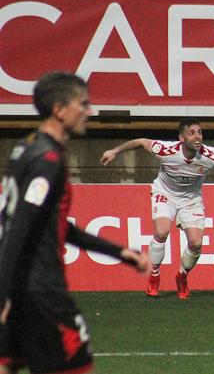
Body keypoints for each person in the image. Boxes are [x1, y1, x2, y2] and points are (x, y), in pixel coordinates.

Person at [0, 71, 151, 374]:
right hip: (42, 293)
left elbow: (48, 223)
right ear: (59, 109)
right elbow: (21, 225)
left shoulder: (24, 148)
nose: (89, 111)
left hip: (20, 289)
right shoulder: (49, 160)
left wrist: (119, 252)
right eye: (82, 104)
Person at [101, 119, 214, 300]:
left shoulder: (211, 155)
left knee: (196, 243)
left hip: (191, 200)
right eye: (192, 133)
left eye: (200, 132)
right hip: (165, 194)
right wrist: (114, 151)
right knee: (161, 232)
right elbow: (140, 142)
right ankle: (154, 275)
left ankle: (182, 275)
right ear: (181, 138)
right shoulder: (166, 150)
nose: (198, 137)